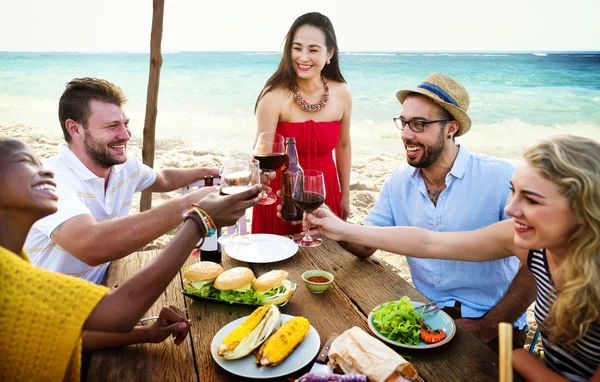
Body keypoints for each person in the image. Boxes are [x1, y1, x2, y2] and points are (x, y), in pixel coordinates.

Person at [306, 134, 600, 382]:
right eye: (513, 192)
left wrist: (517, 356)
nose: (511, 208)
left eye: (532, 199)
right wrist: (341, 228)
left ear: (584, 208)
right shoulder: (533, 245)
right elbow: (429, 242)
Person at [0, 137, 260, 381]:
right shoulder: (7, 274)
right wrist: (199, 221)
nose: (45, 171)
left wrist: (145, 333)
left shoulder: (16, 261)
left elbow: (58, 334)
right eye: (26, 162)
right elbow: (120, 311)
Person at [24, 77, 220, 284]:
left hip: (101, 292)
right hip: (45, 307)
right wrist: (191, 204)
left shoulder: (123, 166)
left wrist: (211, 172)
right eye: (112, 126)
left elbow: (163, 178)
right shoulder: (48, 180)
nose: (126, 135)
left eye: (125, 124)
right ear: (75, 129)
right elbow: (90, 246)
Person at [251, 12, 352, 235]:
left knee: (327, 263)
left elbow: (343, 146)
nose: (303, 57)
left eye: (313, 49)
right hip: (282, 197)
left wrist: (345, 194)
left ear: (330, 53)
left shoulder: (342, 93)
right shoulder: (273, 96)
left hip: (325, 192)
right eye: (297, 48)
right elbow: (261, 154)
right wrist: (259, 177)